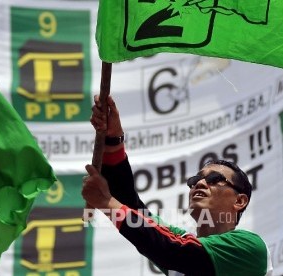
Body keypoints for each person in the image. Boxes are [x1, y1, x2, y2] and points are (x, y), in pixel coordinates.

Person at [82, 96, 273, 276]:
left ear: (240, 200)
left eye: (215, 179)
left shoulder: (250, 247)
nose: (199, 183)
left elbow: (173, 250)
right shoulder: (180, 245)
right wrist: (113, 139)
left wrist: (106, 202)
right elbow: (131, 208)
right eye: (194, 180)